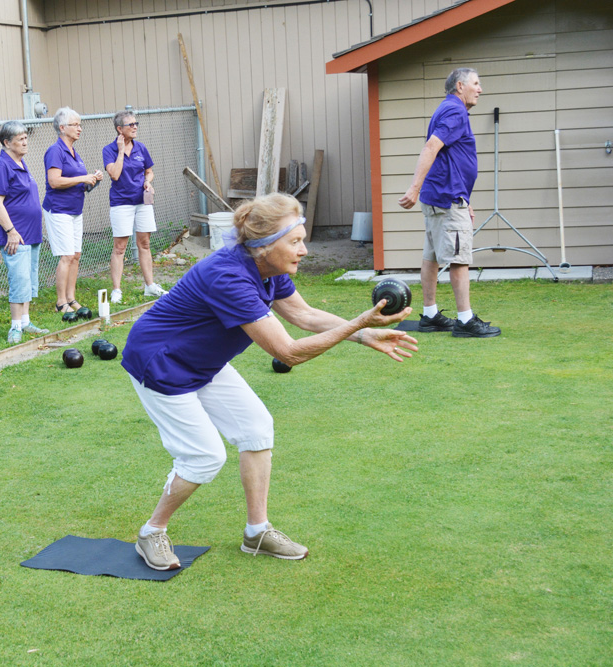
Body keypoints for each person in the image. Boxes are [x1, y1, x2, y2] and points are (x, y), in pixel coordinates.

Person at [121, 193, 419, 570]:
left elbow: (304, 315)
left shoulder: (269, 270)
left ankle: (257, 532)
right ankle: (152, 532)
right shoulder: (228, 276)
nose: (305, 250)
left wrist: (362, 335)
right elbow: (288, 352)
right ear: (264, 247)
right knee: (204, 456)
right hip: (161, 364)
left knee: (257, 428)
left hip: (204, 362)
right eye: (295, 241)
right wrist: (358, 323)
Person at [397, 67, 501, 338]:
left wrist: (465, 198)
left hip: (443, 196)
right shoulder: (455, 111)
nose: (480, 89)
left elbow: (450, 159)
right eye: (476, 83)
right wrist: (414, 187)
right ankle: (465, 320)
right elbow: (431, 147)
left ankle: (430, 315)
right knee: (459, 258)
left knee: (431, 256)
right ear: (459, 85)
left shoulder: (446, 109)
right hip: (445, 199)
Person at [0, 121, 50, 344]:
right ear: (7, 143)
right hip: (16, 235)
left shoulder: (20, 163)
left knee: (29, 279)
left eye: (26, 137)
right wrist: (11, 231)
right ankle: (15, 327)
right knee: (19, 279)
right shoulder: (1, 166)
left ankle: (25, 321)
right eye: (20, 139)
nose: (25, 142)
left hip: (30, 233)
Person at [43, 107, 103, 322]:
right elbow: (54, 181)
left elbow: (79, 185)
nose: (80, 128)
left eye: (80, 124)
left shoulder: (75, 153)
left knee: (76, 255)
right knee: (66, 256)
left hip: (76, 210)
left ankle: (71, 298)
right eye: (75, 124)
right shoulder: (55, 151)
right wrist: (83, 178)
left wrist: (92, 181)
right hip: (58, 210)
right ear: (62, 128)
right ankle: (61, 302)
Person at [102, 110, 166, 304]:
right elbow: (114, 174)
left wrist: (148, 181)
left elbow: (149, 171)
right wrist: (121, 151)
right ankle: (116, 290)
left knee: (144, 244)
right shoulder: (109, 150)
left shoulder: (141, 148)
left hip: (142, 202)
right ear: (119, 129)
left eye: (136, 123)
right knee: (120, 247)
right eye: (131, 124)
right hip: (121, 203)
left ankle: (149, 286)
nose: (135, 126)